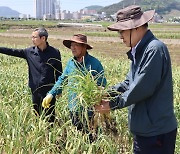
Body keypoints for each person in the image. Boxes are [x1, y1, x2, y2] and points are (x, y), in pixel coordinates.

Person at [95, 5, 177, 154]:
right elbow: (128, 83)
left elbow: (141, 88)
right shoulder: (139, 51)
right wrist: (107, 93)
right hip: (145, 130)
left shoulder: (154, 49)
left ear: (137, 27)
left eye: (122, 31)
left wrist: (112, 104)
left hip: (156, 132)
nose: (120, 36)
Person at [42, 34, 107, 142]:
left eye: (76, 45)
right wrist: (51, 94)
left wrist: (96, 95)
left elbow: (102, 85)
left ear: (84, 47)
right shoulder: (71, 63)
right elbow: (62, 80)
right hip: (73, 109)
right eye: (71, 45)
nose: (73, 48)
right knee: (78, 138)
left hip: (89, 111)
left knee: (92, 139)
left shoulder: (95, 64)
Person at [0, 27, 62, 123]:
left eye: (34, 37)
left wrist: (58, 90)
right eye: (32, 37)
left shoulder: (55, 52)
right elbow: (12, 51)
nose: (32, 39)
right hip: (35, 91)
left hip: (49, 91)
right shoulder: (29, 52)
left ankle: (50, 136)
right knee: (37, 116)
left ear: (43, 38)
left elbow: (59, 72)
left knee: (50, 118)